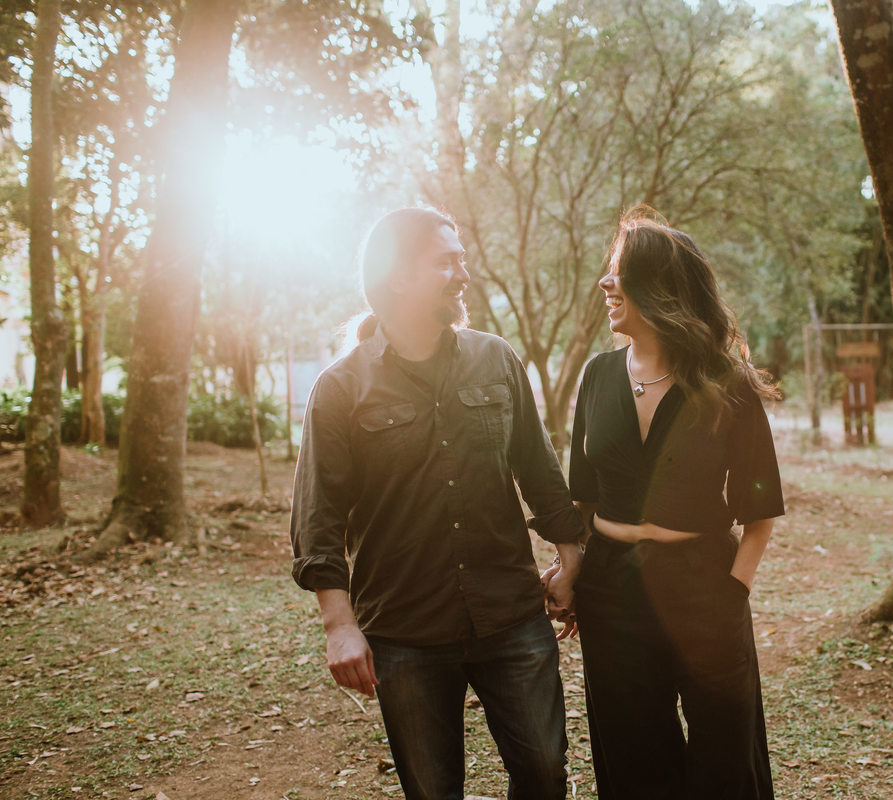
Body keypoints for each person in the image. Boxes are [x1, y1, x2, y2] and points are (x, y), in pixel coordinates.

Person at [288, 207, 585, 800]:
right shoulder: (341, 389)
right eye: (445, 262)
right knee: (432, 789)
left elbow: (539, 470)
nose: (462, 274)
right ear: (398, 276)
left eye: (462, 259)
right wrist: (339, 625)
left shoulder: (495, 359)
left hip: (509, 615)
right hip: (405, 630)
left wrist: (571, 556)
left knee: (546, 775)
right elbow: (317, 519)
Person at [554, 206, 786, 799]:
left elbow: (760, 512)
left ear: (658, 286)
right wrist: (574, 570)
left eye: (619, 272)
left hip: (705, 583)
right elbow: (583, 497)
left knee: (724, 755)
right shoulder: (597, 376)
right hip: (612, 591)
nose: (605, 285)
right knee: (634, 756)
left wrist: (733, 591)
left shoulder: (726, 383)